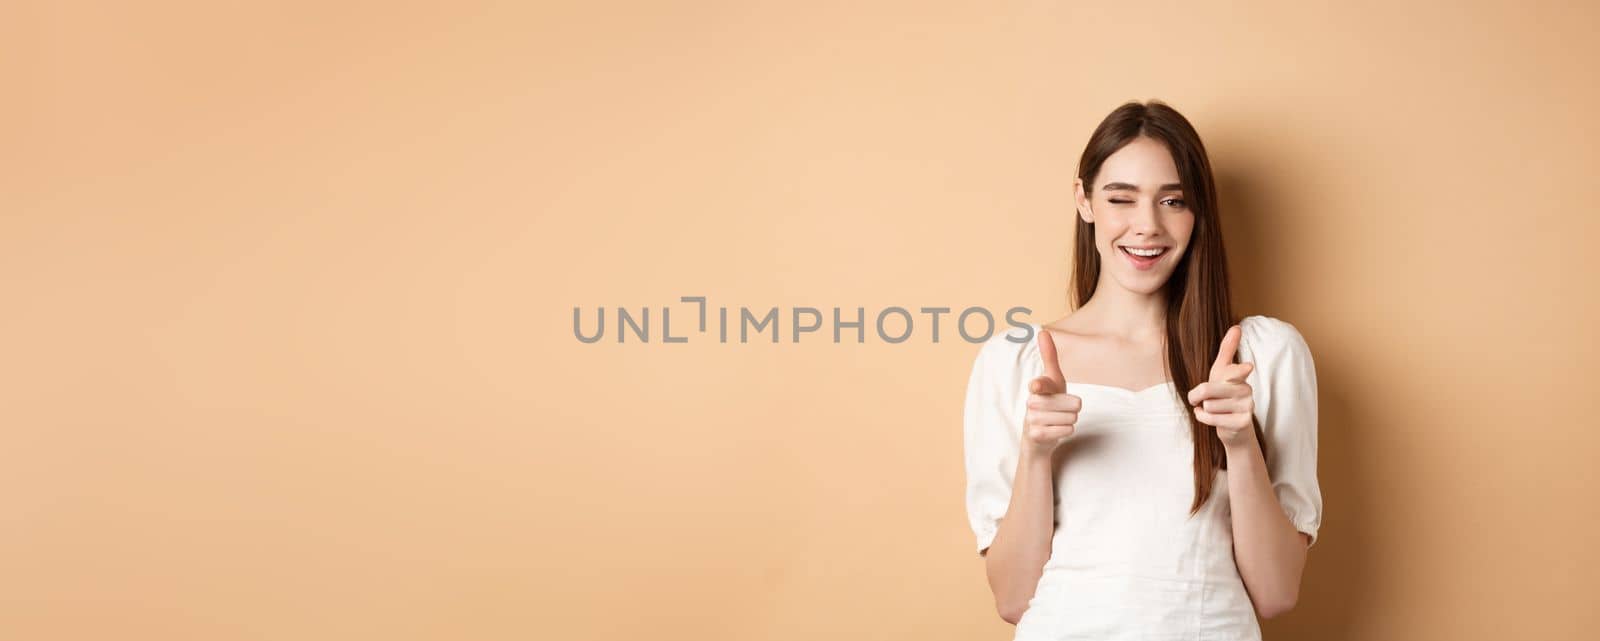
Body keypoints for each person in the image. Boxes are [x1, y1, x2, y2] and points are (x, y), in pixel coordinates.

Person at [962, 99, 1322, 640]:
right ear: (1084, 202)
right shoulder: (1016, 362)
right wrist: (1036, 455)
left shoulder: (1262, 357)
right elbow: (1014, 599)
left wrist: (1240, 444)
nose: (1147, 226)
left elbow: (1275, 594)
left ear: (1198, 211)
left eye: (1172, 200)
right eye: (1120, 199)